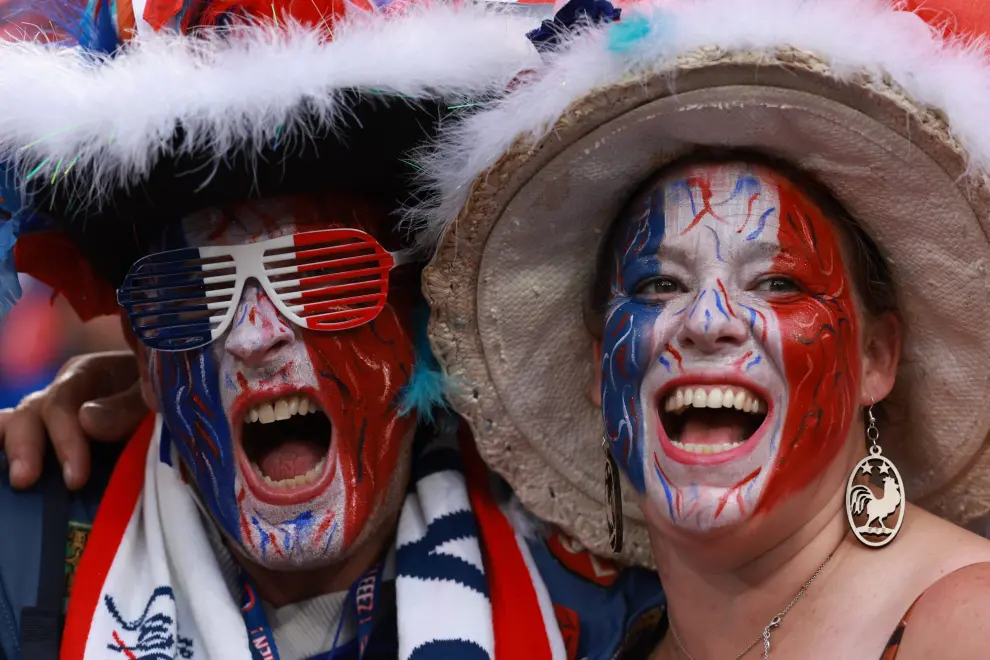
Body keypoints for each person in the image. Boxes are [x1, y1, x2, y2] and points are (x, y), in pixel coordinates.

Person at [0, 1, 665, 659]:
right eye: (188, 295)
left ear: (427, 313)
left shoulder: (610, 579)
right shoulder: (25, 545)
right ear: (144, 360)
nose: (255, 337)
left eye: (326, 275)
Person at [414, 0, 990, 657]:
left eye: (777, 284)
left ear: (876, 357)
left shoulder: (963, 623)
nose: (707, 321)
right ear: (600, 364)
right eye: (660, 285)